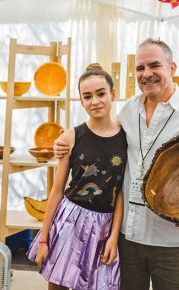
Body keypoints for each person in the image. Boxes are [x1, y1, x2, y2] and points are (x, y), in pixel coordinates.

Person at [54, 38, 179, 290]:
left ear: (172, 68)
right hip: (128, 239)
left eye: (154, 66)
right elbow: (100, 133)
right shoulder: (128, 110)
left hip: (171, 241)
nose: (146, 74)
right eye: (140, 68)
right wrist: (66, 139)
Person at [28, 64, 127, 290]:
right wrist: (43, 238)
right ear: (81, 101)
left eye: (101, 93)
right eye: (87, 96)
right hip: (69, 220)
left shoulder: (126, 137)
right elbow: (56, 191)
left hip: (105, 226)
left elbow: (120, 191)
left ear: (113, 94)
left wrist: (113, 237)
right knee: (58, 285)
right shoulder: (71, 137)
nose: (95, 101)